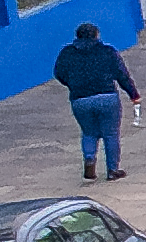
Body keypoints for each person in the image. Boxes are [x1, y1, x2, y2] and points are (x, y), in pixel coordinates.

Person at [48, 23, 136, 181]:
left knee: (89, 132)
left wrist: (73, 84)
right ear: (96, 35)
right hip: (107, 96)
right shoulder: (107, 51)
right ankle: (113, 170)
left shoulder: (67, 53)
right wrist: (133, 94)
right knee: (111, 133)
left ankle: (89, 160)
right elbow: (122, 75)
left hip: (80, 99)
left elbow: (59, 73)